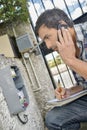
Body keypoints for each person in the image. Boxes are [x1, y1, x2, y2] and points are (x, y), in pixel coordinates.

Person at [35, 8, 87, 130]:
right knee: (53, 119)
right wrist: (69, 91)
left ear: (62, 26)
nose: (48, 46)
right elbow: (84, 84)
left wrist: (71, 60)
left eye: (47, 37)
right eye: (44, 41)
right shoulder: (68, 48)